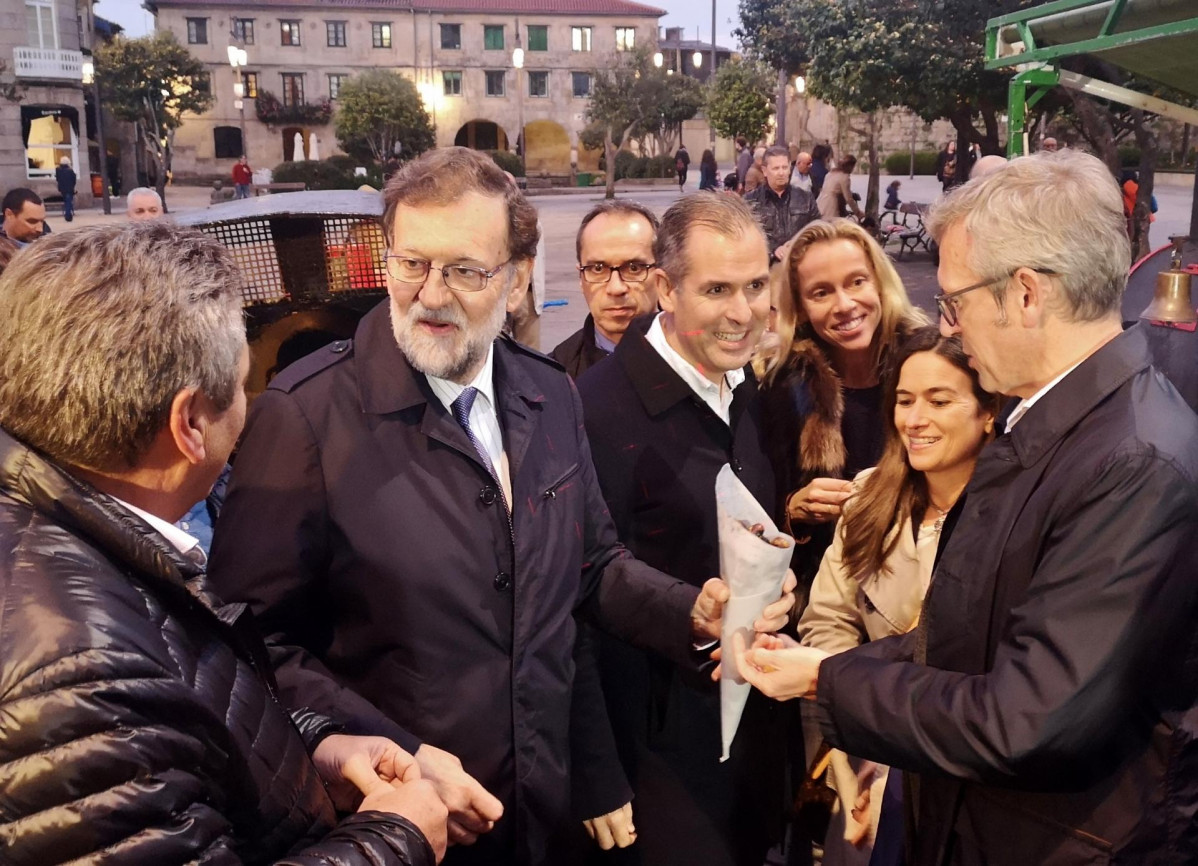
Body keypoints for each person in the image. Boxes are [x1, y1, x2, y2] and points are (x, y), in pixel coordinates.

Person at [206, 147, 794, 866]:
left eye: (464, 270)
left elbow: (593, 564)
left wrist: (689, 609)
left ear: (518, 280)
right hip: (399, 827)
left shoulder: (549, 396)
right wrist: (391, 752)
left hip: (541, 818)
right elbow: (250, 644)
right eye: (411, 263)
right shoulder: (304, 417)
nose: (430, 293)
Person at [735, 149, 1198, 865]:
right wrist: (817, 669)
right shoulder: (1057, 423)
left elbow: (1027, 718)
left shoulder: (1131, 462)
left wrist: (830, 680)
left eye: (954, 301)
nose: (947, 327)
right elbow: (968, 637)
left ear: (1025, 294)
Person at [0, 221, 447, 865]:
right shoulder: (82, 678)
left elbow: (187, 730)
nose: (249, 402)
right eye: (242, 384)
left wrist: (310, 748)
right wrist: (394, 840)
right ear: (189, 424)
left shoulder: (81, 544)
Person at [576, 193, 788, 866]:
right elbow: (566, 597)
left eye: (756, 285)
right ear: (665, 290)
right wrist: (595, 772)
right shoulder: (591, 411)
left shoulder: (751, 391)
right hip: (655, 766)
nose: (744, 311)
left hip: (752, 741)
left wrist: (782, 597)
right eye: (717, 289)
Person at [797, 327, 999, 866]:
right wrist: (850, 753)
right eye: (905, 401)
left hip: (964, 763)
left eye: (939, 400)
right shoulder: (868, 496)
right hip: (866, 751)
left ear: (988, 412)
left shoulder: (1010, 517)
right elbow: (826, 621)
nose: (914, 419)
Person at [758, 219, 926, 594]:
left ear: (880, 283)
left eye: (856, 282)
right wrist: (794, 509)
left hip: (920, 591)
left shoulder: (930, 365)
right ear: (799, 309)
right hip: (821, 595)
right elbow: (754, 510)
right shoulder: (781, 388)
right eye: (821, 293)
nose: (845, 304)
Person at [551, 200, 661, 379]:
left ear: (662, 276)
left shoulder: (701, 364)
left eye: (634, 268)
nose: (616, 288)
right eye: (598, 269)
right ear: (581, 277)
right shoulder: (556, 379)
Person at [745, 145, 821, 262]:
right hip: (767, 270)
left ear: (790, 168)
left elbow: (818, 232)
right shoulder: (750, 201)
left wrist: (797, 244)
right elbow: (745, 240)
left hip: (799, 266)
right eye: (776, 168)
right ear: (765, 170)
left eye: (784, 167)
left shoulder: (805, 198)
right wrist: (773, 251)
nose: (781, 173)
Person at [817, 157, 864, 222]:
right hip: (831, 206)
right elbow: (848, 198)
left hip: (820, 203)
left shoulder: (830, 173)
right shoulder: (845, 177)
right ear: (850, 166)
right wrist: (858, 212)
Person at [55, 156, 77, 222]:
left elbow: (57, 179)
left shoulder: (58, 170)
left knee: (66, 201)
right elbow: (74, 180)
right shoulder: (70, 171)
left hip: (62, 189)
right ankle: (68, 215)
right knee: (68, 202)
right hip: (69, 188)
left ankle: (68, 214)